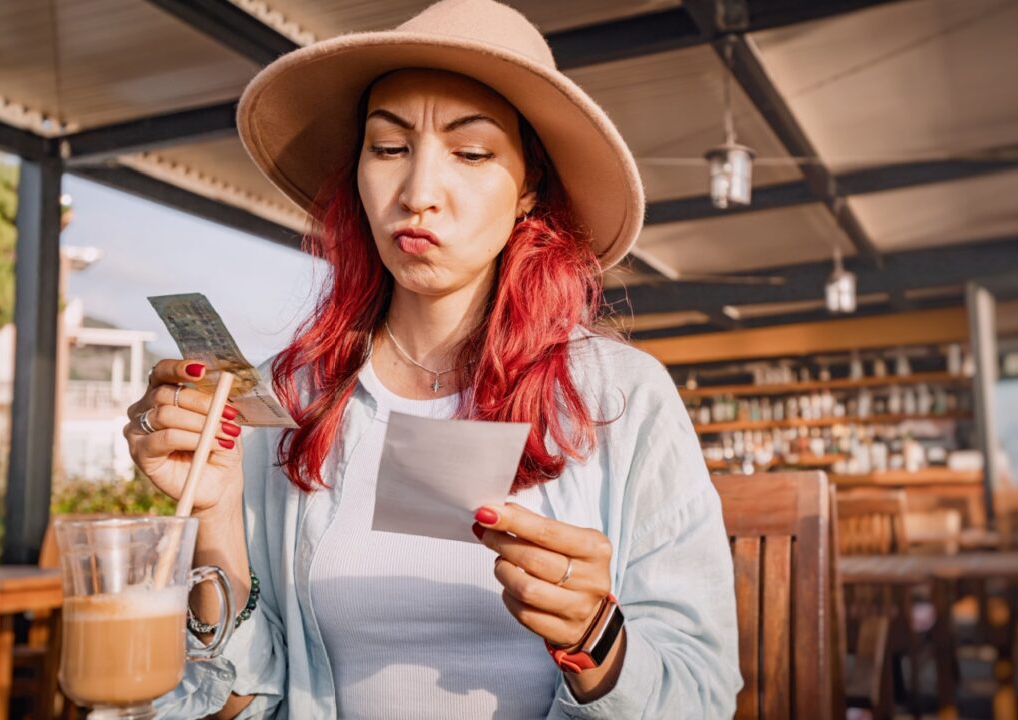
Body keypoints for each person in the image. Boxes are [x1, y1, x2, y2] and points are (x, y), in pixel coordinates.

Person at [123, 1, 740, 718]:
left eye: (472, 153)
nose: (417, 195)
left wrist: (594, 639)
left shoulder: (623, 397)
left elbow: (701, 696)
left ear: (528, 189)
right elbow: (232, 706)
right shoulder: (290, 396)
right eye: (388, 149)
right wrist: (215, 514)